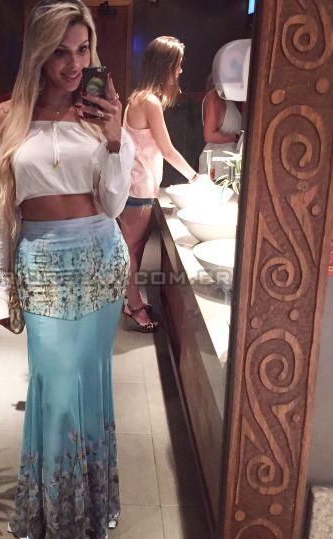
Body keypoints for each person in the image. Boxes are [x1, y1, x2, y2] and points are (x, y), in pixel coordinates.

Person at [0, 1, 135, 539]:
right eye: (61, 52)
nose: (74, 64)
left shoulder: (101, 115)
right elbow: (0, 210)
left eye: (83, 49)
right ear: (38, 54)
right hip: (42, 261)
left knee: (88, 382)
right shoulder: (7, 117)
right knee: (56, 391)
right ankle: (58, 517)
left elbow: (114, 204)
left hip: (100, 258)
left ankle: (90, 509)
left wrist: (116, 138)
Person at [119, 36, 209, 332]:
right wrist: (195, 178)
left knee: (134, 248)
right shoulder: (150, 102)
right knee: (132, 250)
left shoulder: (140, 97)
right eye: (178, 64)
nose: (181, 70)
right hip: (137, 187)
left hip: (137, 185)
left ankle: (131, 300)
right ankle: (134, 307)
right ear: (165, 65)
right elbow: (167, 149)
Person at [198, 80, 242, 179]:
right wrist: (237, 137)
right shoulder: (215, 97)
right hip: (217, 163)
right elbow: (209, 136)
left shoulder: (228, 98)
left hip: (227, 164)